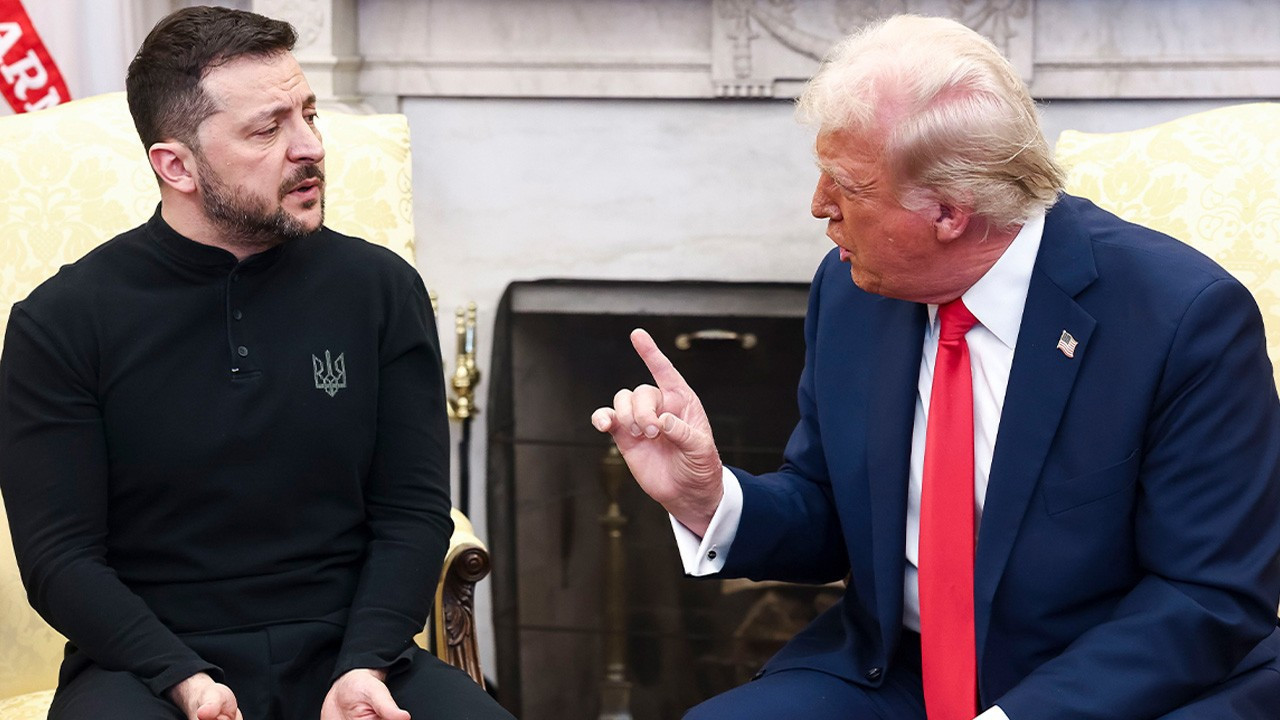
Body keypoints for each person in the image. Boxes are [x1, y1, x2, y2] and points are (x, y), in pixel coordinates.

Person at [592, 14, 1280, 720]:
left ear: (950, 211)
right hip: (897, 670)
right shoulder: (852, 290)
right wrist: (708, 498)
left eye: (847, 185)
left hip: (1104, 687)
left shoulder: (1182, 319)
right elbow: (830, 509)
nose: (819, 206)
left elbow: (1207, 595)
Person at [0, 6, 512, 720]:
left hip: (352, 650)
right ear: (176, 165)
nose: (310, 147)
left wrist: (365, 662)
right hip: (147, 667)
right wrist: (182, 678)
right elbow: (60, 559)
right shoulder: (59, 322)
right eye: (268, 129)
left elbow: (413, 510)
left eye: (309, 114)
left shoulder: (380, 290)